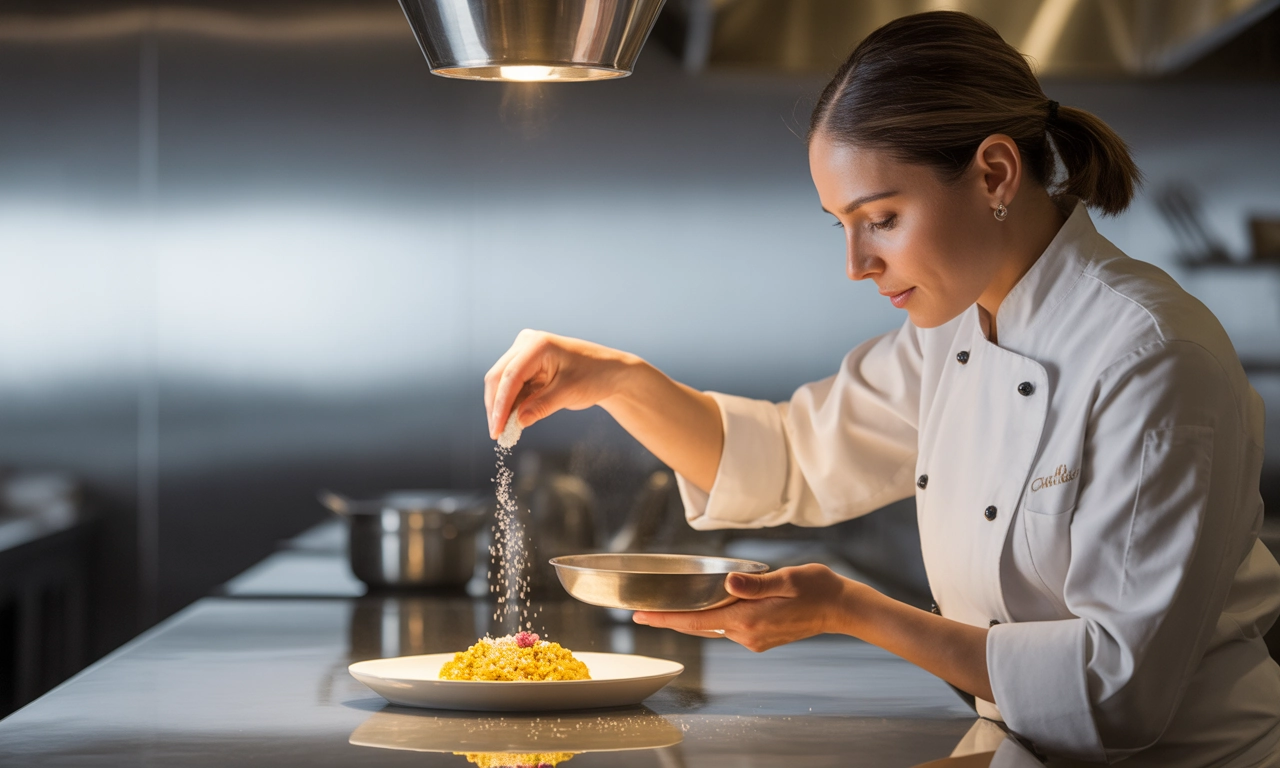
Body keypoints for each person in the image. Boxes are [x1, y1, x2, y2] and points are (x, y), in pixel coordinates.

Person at [482, 11, 1280, 767]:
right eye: (843, 224)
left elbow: (1120, 692)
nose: (856, 264)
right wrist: (617, 380)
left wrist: (846, 608)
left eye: (883, 218)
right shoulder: (955, 331)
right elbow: (791, 457)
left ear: (994, 173)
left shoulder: (1151, 357)